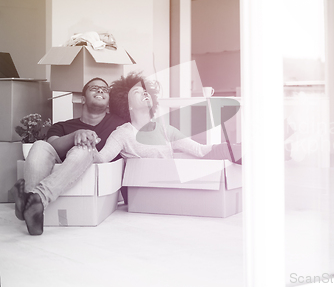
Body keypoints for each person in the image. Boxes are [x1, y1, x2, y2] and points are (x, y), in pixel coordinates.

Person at [9, 78, 126, 235]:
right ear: (82, 99)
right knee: (39, 145)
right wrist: (75, 135)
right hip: (64, 169)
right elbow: (52, 145)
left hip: (94, 164)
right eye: (94, 88)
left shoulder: (119, 124)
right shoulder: (62, 126)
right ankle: (34, 209)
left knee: (86, 148)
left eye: (105, 90)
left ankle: (34, 199)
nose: (100, 91)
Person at [92, 72, 240, 163]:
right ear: (128, 104)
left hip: (168, 186)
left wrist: (235, 149)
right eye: (137, 92)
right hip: (141, 193)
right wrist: (86, 145)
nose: (145, 93)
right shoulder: (123, 134)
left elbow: (200, 150)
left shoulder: (165, 129)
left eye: (146, 91)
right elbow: (100, 159)